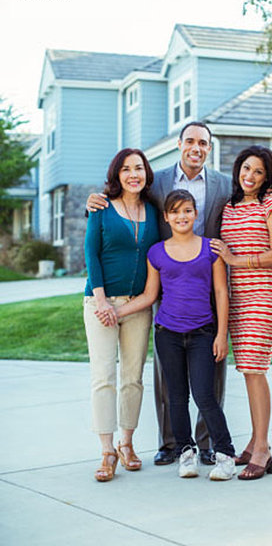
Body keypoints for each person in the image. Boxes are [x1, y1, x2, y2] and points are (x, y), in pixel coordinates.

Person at [87, 122, 231, 466]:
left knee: (210, 372)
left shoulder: (225, 185)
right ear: (180, 144)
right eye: (191, 141)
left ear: (210, 148)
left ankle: (208, 443)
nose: (197, 148)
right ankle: (172, 444)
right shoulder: (158, 182)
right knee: (168, 377)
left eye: (204, 143)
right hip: (166, 286)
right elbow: (126, 197)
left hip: (209, 279)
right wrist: (97, 199)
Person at [211, 145, 272, 480]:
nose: (250, 176)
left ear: (267, 175)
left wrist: (236, 260)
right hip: (238, 296)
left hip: (264, 293)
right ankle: (255, 441)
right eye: (245, 169)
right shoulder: (229, 205)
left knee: (255, 369)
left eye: (257, 171)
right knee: (247, 369)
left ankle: (263, 448)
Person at [84, 148, 159, 482]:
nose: (133, 175)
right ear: (117, 174)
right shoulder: (100, 207)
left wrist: (128, 305)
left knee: (133, 376)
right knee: (104, 376)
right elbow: (91, 253)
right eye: (126, 169)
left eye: (139, 168)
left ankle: (127, 443)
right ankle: (107, 450)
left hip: (138, 305)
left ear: (146, 174)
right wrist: (102, 302)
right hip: (100, 303)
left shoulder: (154, 211)